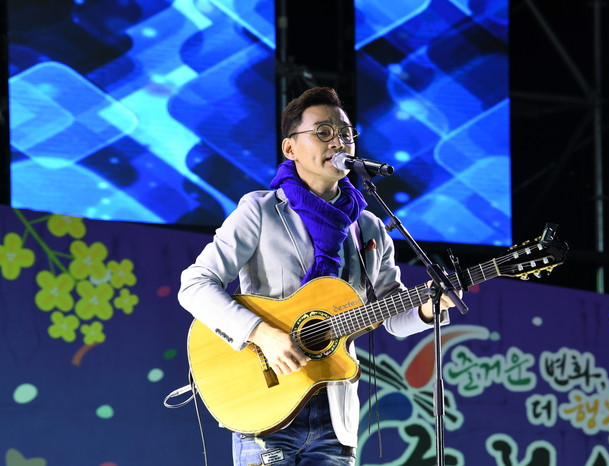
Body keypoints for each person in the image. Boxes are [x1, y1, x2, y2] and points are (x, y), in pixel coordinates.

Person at [178, 87, 460, 465]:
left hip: (335, 419)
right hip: (266, 406)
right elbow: (194, 285)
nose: (338, 142)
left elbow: (391, 316)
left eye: (345, 133)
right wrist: (262, 334)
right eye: (323, 132)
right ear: (290, 148)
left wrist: (428, 308)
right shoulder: (261, 211)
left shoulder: (369, 228)